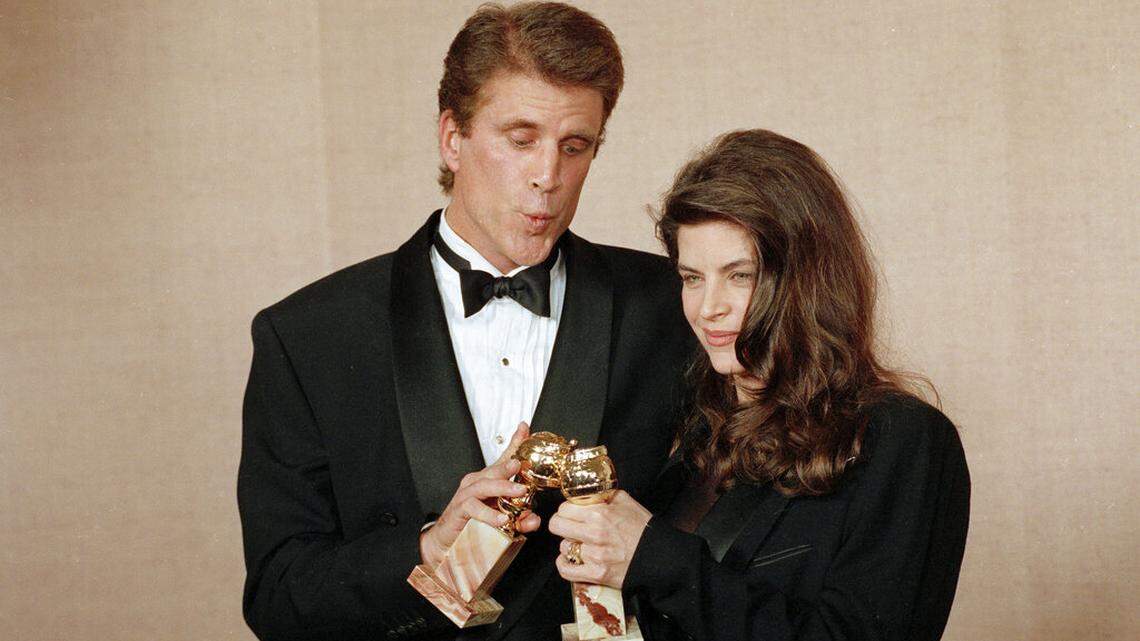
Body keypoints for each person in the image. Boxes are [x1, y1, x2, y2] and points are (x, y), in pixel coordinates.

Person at [237, 3, 692, 640]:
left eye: (575, 146)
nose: (547, 177)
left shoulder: (673, 306)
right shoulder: (308, 335)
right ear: (453, 138)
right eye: (521, 138)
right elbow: (278, 599)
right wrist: (427, 548)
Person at [549, 129, 971, 640]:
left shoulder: (904, 439)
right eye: (692, 278)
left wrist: (656, 559)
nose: (709, 309)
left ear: (806, 278)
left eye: (740, 275)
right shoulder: (693, 427)